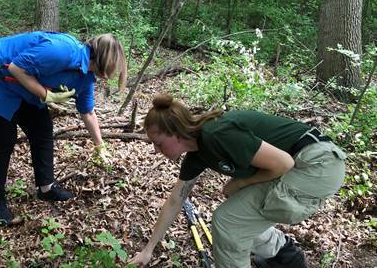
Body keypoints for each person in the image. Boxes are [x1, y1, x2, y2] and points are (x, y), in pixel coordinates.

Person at [130, 94, 346, 268]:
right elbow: (175, 201)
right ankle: (285, 257)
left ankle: (283, 255)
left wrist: (240, 183)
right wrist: (148, 249)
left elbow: (283, 163)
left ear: (176, 133)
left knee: (227, 220)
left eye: (158, 143)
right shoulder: (197, 154)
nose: (156, 151)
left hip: (317, 165)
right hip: (309, 165)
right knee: (239, 216)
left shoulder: (216, 133)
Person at [0, 31, 127, 226]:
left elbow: (88, 112)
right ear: (104, 59)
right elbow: (16, 68)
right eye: (112, 67)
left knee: (42, 129)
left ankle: (46, 188)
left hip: (20, 86)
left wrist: (100, 146)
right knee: (3, 138)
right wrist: (47, 95)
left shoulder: (86, 77)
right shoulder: (62, 51)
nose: (111, 73)